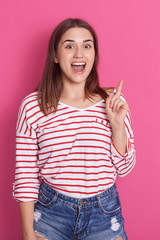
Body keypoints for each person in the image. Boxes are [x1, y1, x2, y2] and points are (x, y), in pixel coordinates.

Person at [13, 18, 135, 240]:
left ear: (94, 55)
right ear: (56, 56)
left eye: (87, 45)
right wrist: (27, 234)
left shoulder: (113, 102)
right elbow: (25, 176)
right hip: (51, 215)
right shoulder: (33, 106)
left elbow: (125, 169)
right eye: (69, 46)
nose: (79, 53)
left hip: (104, 214)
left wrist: (117, 127)